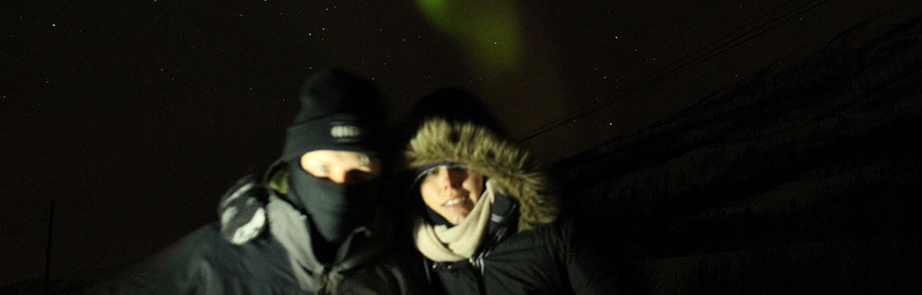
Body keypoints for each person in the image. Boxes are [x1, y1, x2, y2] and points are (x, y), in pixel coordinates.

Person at [87, 68, 425, 294]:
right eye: (322, 168)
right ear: (292, 167)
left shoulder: (399, 272)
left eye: (360, 171)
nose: (339, 186)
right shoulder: (216, 256)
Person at [400, 89, 625, 294]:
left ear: (488, 167)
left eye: (458, 165)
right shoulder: (411, 267)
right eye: (429, 173)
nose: (448, 183)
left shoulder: (553, 235)